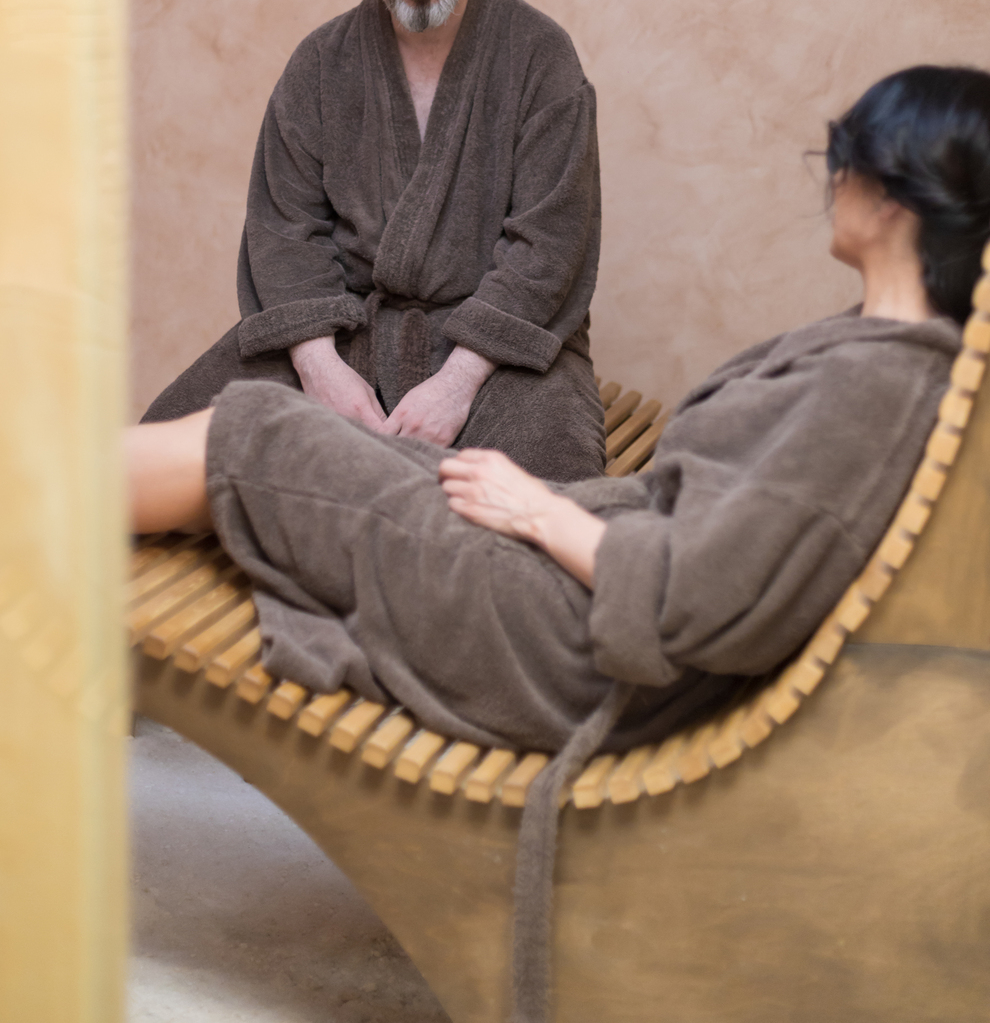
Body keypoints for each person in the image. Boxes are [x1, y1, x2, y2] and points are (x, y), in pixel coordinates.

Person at [127, 65, 990, 1023]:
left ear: (895, 196)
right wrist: (547, 502)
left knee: (255, 431)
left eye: (845, 161)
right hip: (584, 603)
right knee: (325, 438)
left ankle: (31, 506)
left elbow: (692, 600)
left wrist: (540, 513)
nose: (831, 180)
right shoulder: (890, 357)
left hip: (566, 648)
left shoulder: (874, 387)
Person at [141, 0, 605, 481]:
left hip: (498, 352)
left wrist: (456, 384)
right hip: (344, 332)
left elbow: (548, 247)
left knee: (540, 498)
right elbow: (284, 230)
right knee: (149, 463)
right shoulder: (321, 64)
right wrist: (319, 368)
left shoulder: (540, 57)